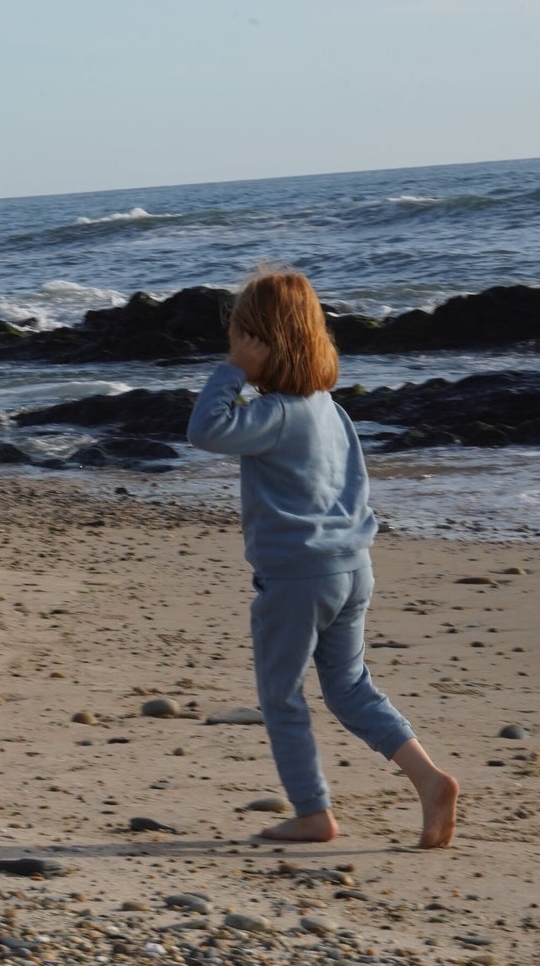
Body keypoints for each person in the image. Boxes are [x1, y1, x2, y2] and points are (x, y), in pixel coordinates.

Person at [188, 268, 457, 847]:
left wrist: (233, 371)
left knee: (281, 696)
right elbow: (354, 485)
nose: (233, 348)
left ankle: (313, 813)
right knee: (350, 686)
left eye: (241, 338)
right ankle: (428, 779)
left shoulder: (275, 415)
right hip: (353, 567)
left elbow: (205, 429)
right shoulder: (329, 408)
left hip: (298, 577)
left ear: (260, 343)